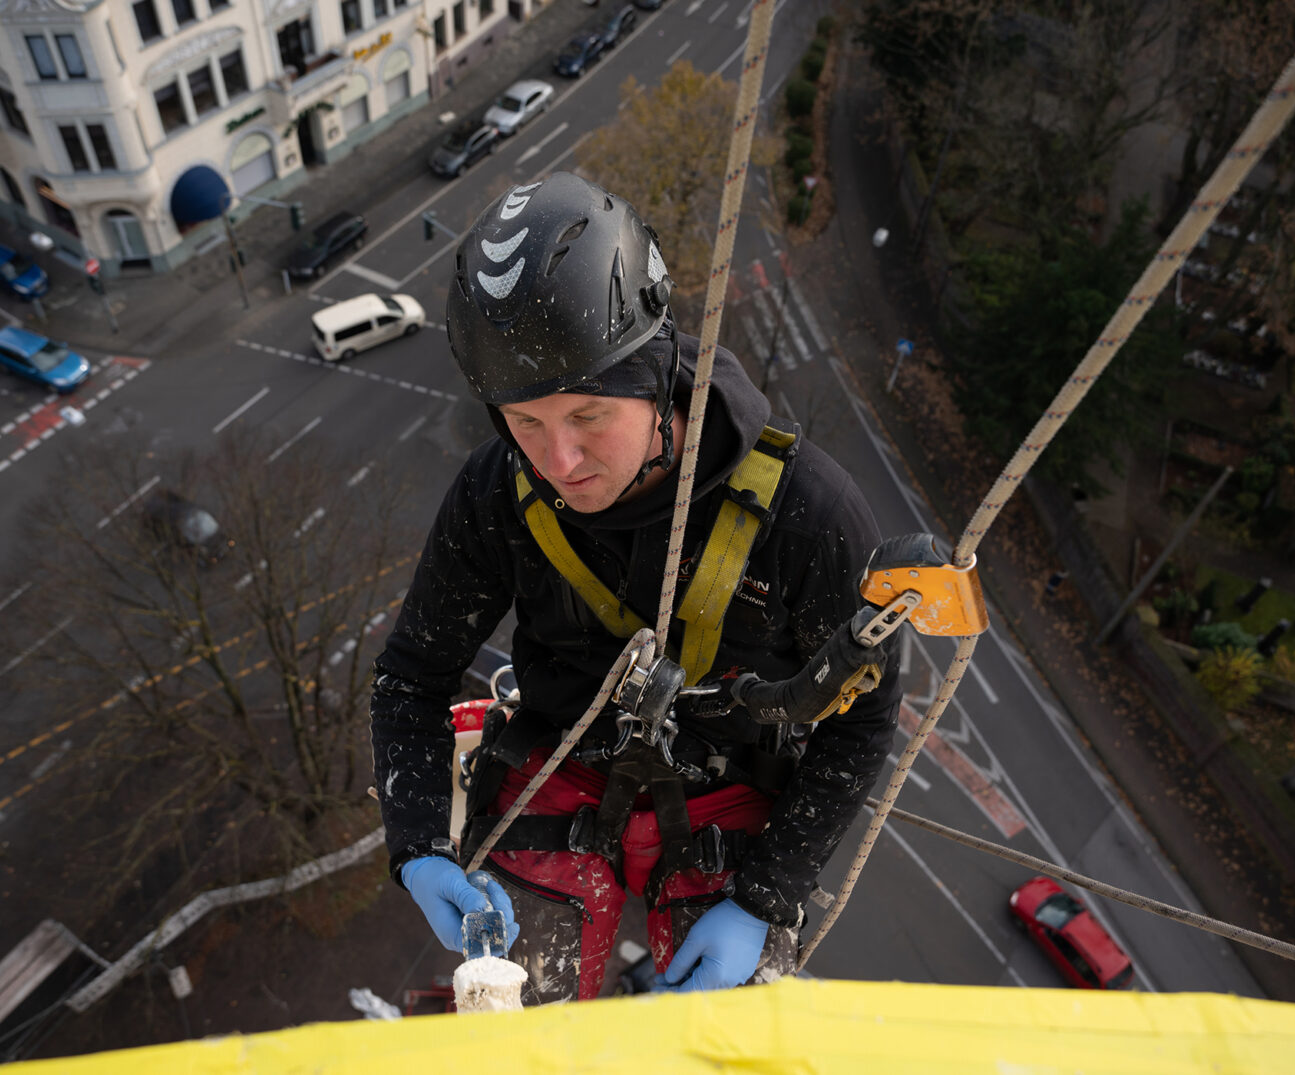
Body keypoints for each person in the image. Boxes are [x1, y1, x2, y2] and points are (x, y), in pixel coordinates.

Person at [370, 172, 902, 1003]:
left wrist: (765, 898)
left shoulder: (806, 514)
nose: (560, 463)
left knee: (729, 1043)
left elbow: (863, 717)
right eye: (526, 423)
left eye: (588, 416)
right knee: (518, 1018)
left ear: (655, 380)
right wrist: (417, 849)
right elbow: (412, 675)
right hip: (561, 765)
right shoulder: (498, 493)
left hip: (728, 783)